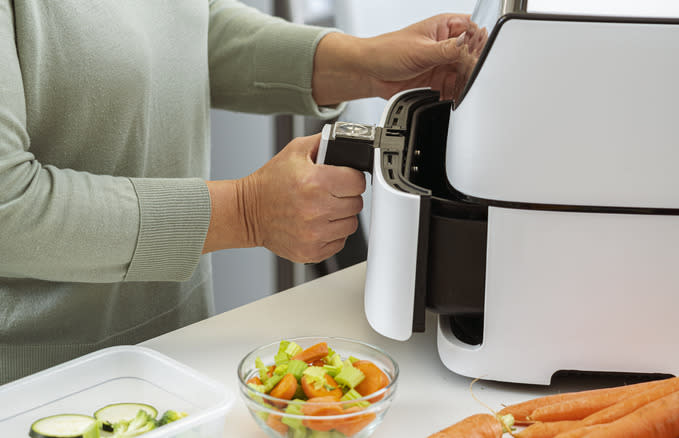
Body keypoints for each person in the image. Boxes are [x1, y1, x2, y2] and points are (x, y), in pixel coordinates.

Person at [0, 0, 479, 384]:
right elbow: (8, 206)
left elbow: (192, 27)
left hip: (180, 340)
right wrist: (246, 212)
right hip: (33, 380)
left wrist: (363, 64)